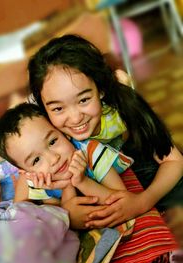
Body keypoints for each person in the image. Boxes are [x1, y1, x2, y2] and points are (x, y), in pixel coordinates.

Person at [27, 34, 183, 229]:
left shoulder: (125, 109)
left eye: (84, 100)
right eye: (58, 108)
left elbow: (173, 160)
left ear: (100, 89)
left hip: (136, 158)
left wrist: (141, 202)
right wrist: (66, 213)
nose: (75, 119)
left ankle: (121, 78)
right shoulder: (45, 127)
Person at [0, 103, 134, 215]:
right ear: (28, 171)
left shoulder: (92, 152)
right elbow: (54, 212)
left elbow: (122, 199)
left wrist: (82, 182)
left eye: (52, 142)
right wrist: (66, 189)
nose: (54, 159)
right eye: (36, 160)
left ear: (64, 134)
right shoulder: (38, 180)